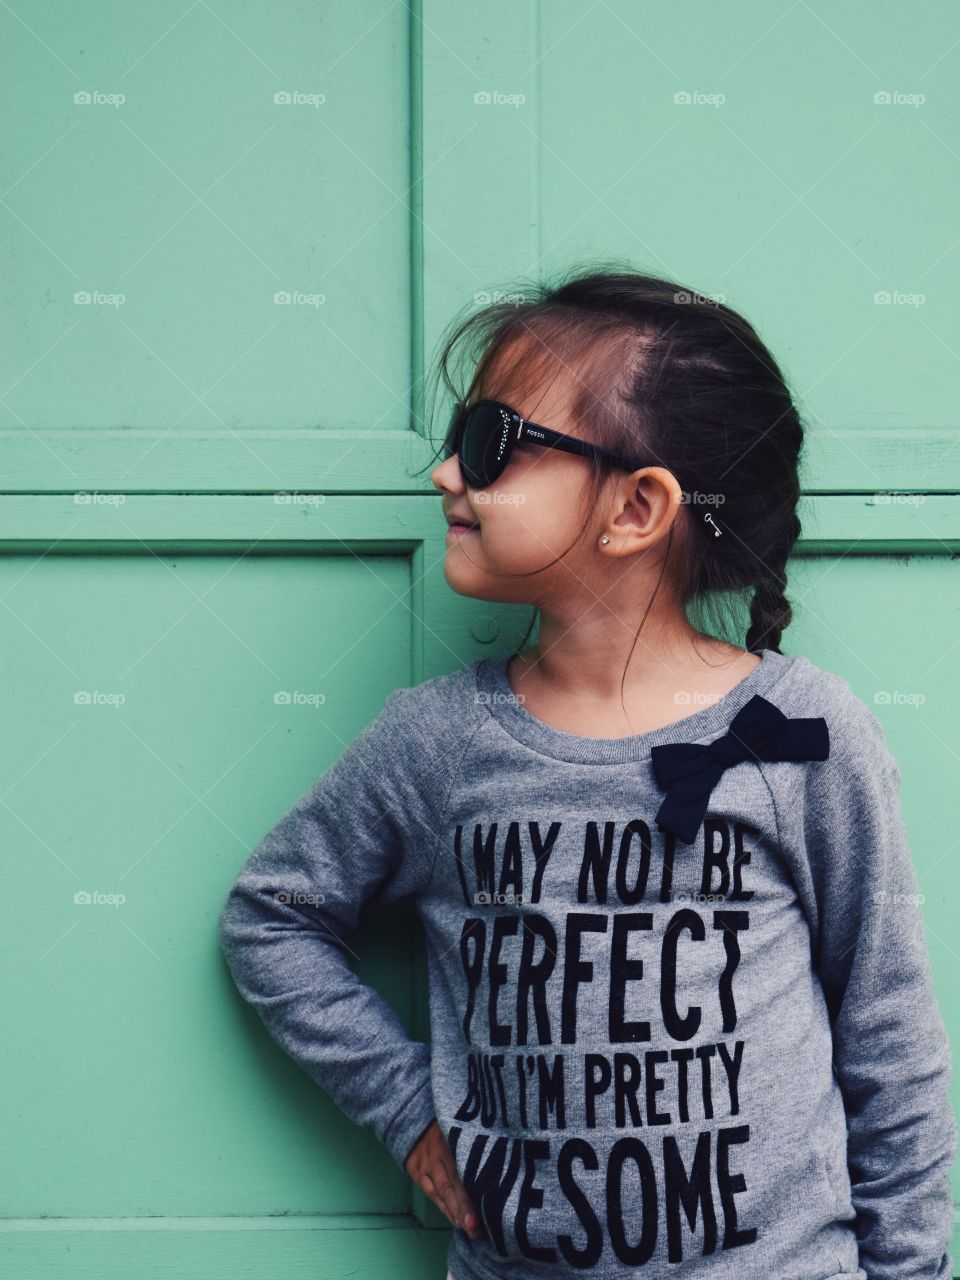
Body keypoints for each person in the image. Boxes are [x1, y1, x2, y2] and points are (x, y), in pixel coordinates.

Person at [217, 266, 956, 1279]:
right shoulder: (434, 743)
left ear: (638, 507)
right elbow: (274, 916)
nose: (444, 473)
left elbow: (890, 1036)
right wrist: (409, 1116)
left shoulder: (804, 732)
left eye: (491, 445)